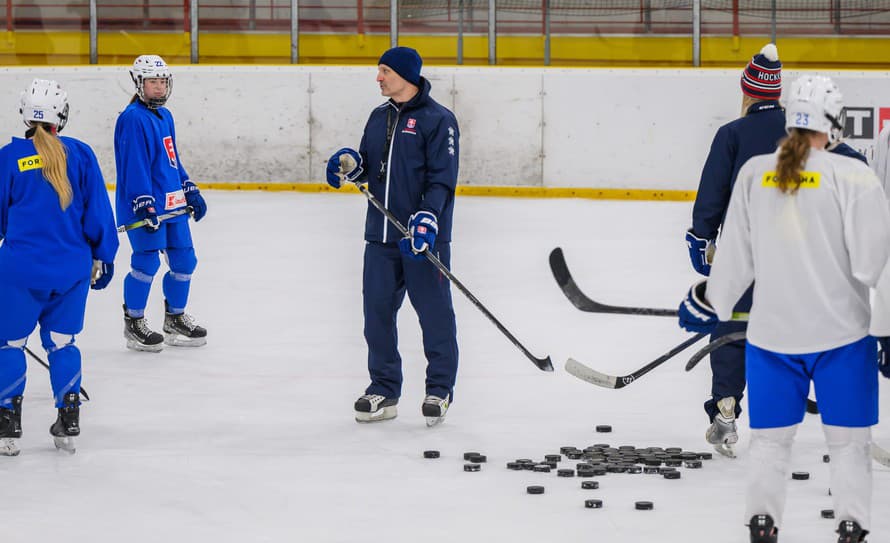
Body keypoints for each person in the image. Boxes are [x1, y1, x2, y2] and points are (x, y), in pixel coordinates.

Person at [679, 75, 889, 543]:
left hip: (770, 341)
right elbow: (882, 264)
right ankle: (851, 529)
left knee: (770, 446)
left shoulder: (755, 171)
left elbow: (733, 259)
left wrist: (708, 303)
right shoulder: (855, 175)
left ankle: (762, 527)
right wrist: (889, 329)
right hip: (843, 342)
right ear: (833, 124)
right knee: (850, 447)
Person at [685, 44, 867, 457]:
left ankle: (726, 410)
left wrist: (700, 240)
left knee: (732, 327)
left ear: (749, 93)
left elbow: (712, 195)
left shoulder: (731, 134)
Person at [325, 46, 460, 426]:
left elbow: (442, 180)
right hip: (380, 238)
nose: (378, 77)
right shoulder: (377, 117)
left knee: (434, 315)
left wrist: (428, 219)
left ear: (406, 75)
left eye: (384, 70)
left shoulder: (439, 120)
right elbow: (369, 168)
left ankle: (439, 389)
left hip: (421, 239)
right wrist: (350, 165)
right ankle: (384, 390)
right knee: (377, 316)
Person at [0, 79, 118, 455]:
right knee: (63, 343)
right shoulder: (80, 154)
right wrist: (105, 254)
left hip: (21, 269)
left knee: (9, 343)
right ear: (61, 115)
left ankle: (7, 422)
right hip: (72, 268)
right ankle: (68, 418)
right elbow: (99, 212)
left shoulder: (9, 157)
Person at [114, 54, 208, 352]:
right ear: (139, 83)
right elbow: (134, 165)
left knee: (185, 260)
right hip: (145, 206)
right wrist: (143, 201)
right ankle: (134, 322)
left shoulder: (165, 116)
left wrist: (188, 186)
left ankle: (175, 318)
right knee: (146, 262)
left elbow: (171, 158)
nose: (159, 87)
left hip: (172, 202)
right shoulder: (131, 118)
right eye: (153, 82)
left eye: (163, 81)